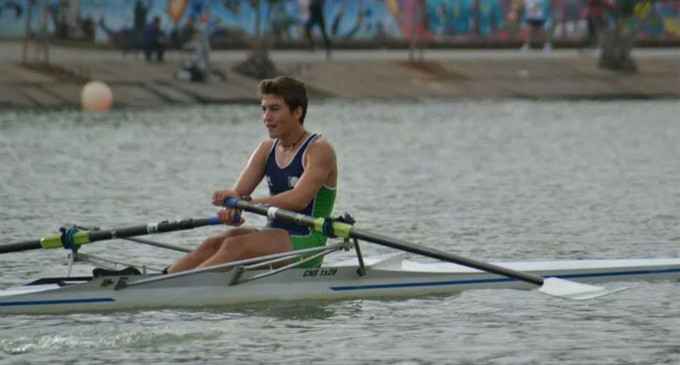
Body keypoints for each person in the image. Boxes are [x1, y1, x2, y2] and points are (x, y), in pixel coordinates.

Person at [167, 76, 338, 274]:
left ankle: (182, 286)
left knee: (234, 247)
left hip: (308, 243)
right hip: (273, 237)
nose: (266, 116)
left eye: (274, 109)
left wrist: (248, 203)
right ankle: (163, 278)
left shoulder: (319, 150)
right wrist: (231, 205)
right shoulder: (266, 149)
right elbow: (238, 195)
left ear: (297, 112)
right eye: (264, 109)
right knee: (215, 243)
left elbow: (298, 200)